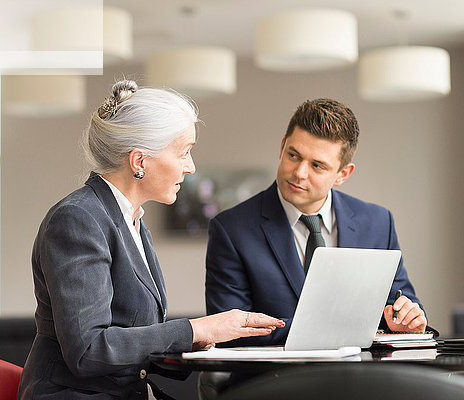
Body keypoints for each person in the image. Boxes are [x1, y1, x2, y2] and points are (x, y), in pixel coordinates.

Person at [17, 80, 285, 400]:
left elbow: (131, 340)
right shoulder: (79, 220)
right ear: (140, 161)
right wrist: (196, 329)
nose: (190, 167)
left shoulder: (132, 221)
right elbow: (88, 350)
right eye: (184, 153)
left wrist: (194, 340)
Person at [205, 98, 429, 349]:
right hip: (271, 383)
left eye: (317, 165)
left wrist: (408, 320)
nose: (299, 172)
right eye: (293, 155)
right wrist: (340, 327)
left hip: (360, 381)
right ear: (282, 147)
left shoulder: (378, 222)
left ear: (343, 174)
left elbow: (400, 303)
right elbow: (229, 333)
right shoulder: (231, 229)